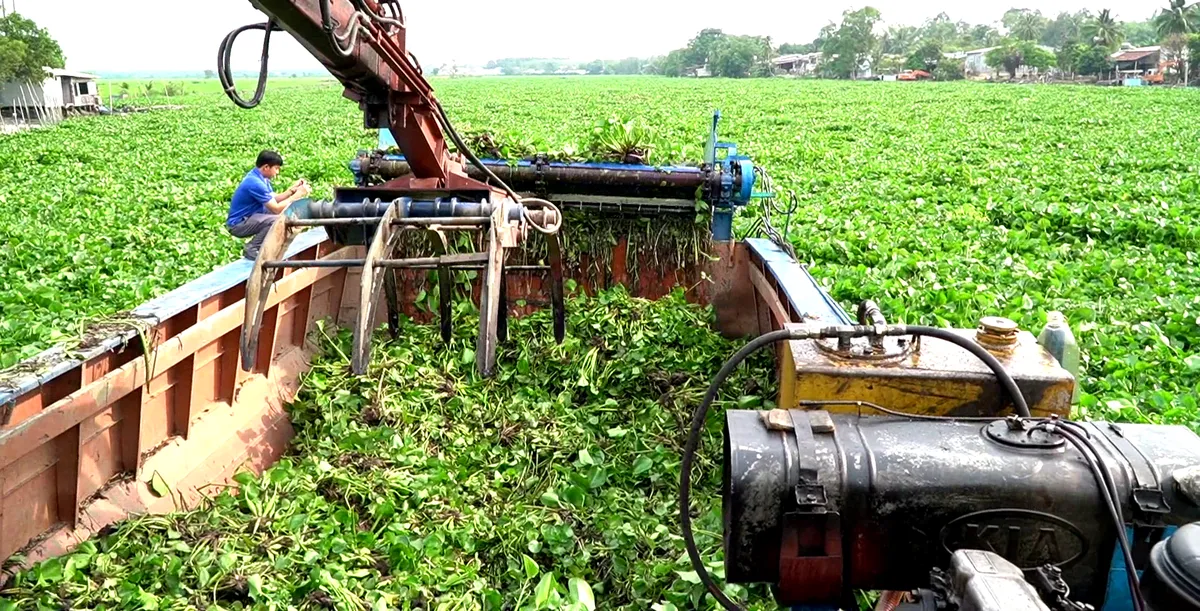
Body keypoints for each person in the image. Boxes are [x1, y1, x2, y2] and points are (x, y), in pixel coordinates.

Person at [226, 150, 312, 260]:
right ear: (266, 167)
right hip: (238, 224)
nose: (277, 172)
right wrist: (297, 196)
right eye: (276, 168)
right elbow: (276, 209)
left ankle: (271, 245)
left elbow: (273, 200)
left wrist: (292, 191)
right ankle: (252, 248)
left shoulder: (259, 177)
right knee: (276, 220)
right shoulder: (255, 183)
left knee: (285, 214)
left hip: (251, 217)